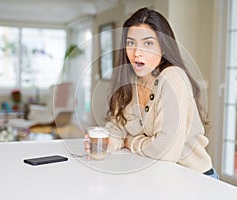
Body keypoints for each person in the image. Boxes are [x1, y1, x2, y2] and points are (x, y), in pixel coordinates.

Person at [85, 7, 219, 179]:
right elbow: (117, 128)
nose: (137, 53)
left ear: (163, 48)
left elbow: (167, 152)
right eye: (131, 43)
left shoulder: (173, 77)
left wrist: (130, 142)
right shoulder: (129, 80)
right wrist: (107, 142)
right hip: (155, 176)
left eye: (148, 43)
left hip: (194, 179)